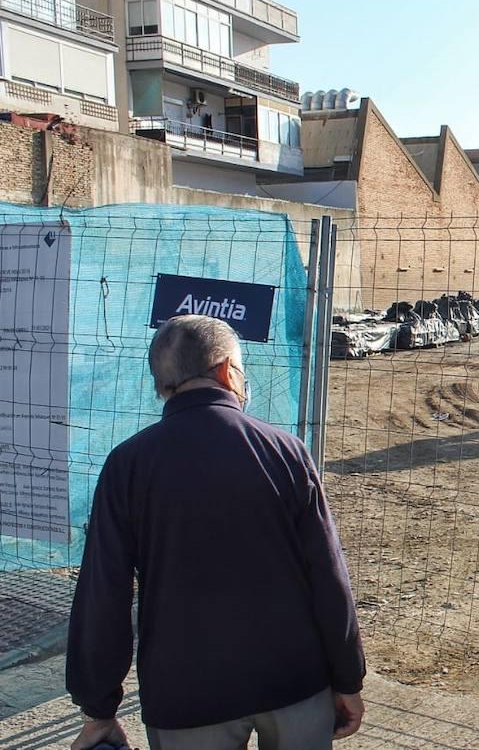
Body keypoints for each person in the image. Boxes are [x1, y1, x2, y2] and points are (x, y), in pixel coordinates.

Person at [66, 314, 366, 750]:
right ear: (228, 371)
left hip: (186, 697)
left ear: (162, 385)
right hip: (295, 683)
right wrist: (347, 678)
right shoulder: (286, 452)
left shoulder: (127, 465)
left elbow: (103, 594)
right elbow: (328, 576)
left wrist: (99, 708)